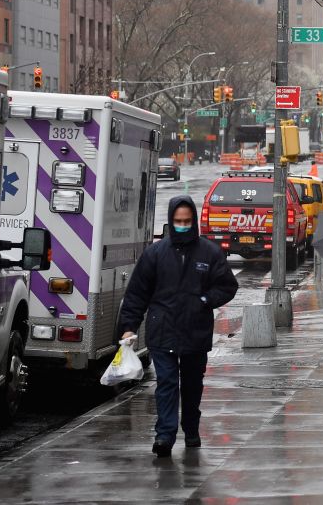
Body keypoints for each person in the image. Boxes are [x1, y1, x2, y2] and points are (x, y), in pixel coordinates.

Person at [119, 195, 238, 458]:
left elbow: (228, 286)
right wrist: (129, 326)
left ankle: (191, 428)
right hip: (163, 331)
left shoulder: (209, 252)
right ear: (171, 221)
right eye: (177, 221)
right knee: (167, 383)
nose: (182, 225)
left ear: (193, 221)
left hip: (195, 331)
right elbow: (137, 293)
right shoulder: (156, 253)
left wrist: (206, 300)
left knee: (192, 385)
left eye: (186, 221)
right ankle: (165, 434)